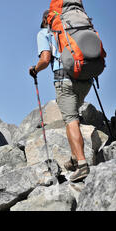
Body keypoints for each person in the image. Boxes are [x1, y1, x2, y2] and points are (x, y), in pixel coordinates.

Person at [29, 10, 93, 182]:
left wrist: (34, 69)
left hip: (64, 79)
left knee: (71, 119)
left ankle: (81, 164)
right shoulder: (74, 29)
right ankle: (74, 157)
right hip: (86, 78)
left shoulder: (44, 33)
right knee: (70, 116)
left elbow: (45, 58)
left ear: (45, 21)